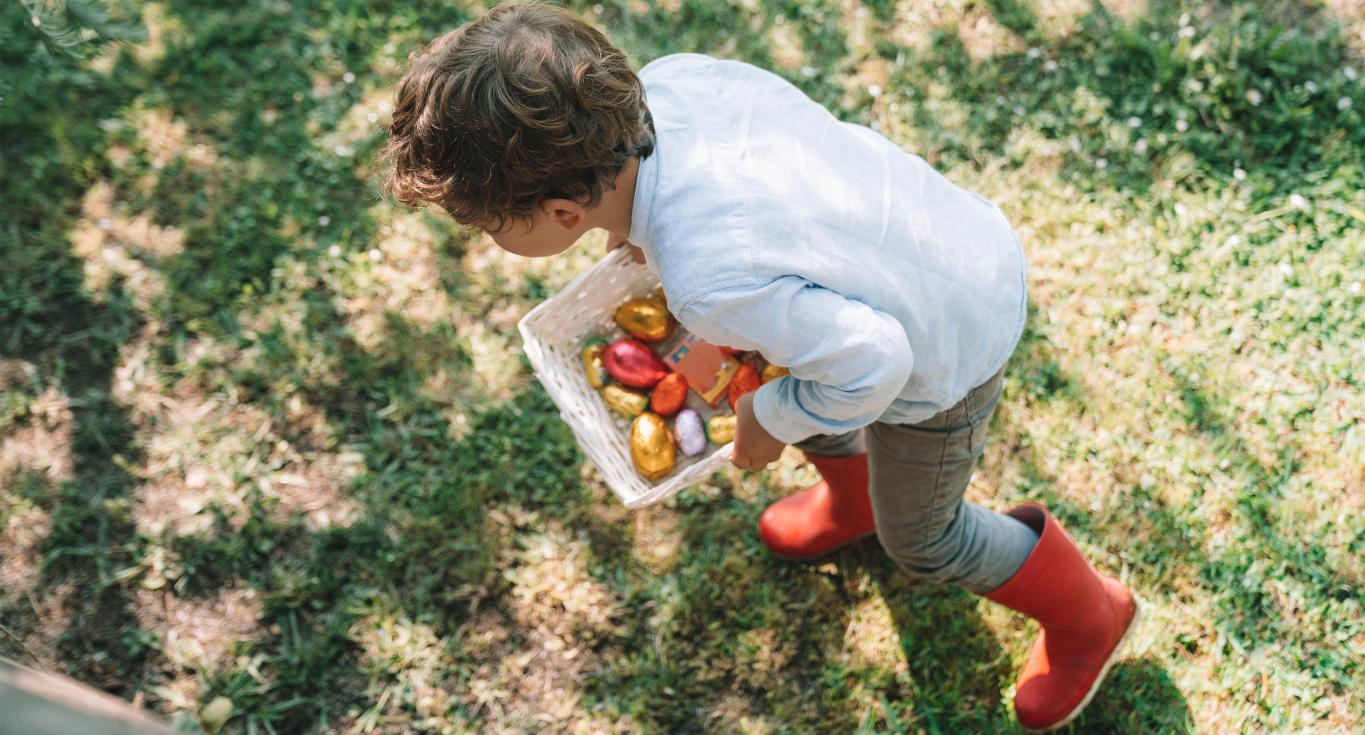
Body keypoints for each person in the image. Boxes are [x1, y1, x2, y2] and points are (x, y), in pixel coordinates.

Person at [379, 3, 1136, 730]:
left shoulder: (712, 284)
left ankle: (1088, 612)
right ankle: (854, 496)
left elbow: (877, 362)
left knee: (922, 534)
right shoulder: (673, 83)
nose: (485, 237)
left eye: (487, 226)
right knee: (776, 361)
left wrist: (764, 420)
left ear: (563, 214)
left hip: (944, 348)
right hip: (936, 242)